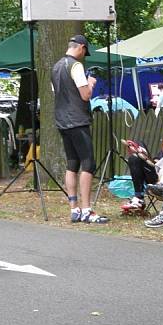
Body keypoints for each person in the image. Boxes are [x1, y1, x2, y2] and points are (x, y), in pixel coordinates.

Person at [51, 33, 109, 224]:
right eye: (85, 52)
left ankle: (73, 208)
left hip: (61, 120)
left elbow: (59, 93)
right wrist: (90, 83)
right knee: (88, 163)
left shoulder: (56, 66)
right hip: (78, 120)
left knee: (72, 163)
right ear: (81, 48)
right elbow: (85, 95)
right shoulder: (76, 66)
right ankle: (87, 210)